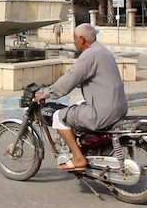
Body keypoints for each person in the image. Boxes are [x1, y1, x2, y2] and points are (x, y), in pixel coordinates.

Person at [35, 23, 128, 171]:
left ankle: (78, 158)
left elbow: (71, 79)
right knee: (78, 104)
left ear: (82, 39)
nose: (74, 42)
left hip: (102, 111)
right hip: (118, 107)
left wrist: (46, 93)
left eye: (74, 39)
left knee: (59, 116)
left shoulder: (89, 55)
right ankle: (86, 145)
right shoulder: (103, 51)